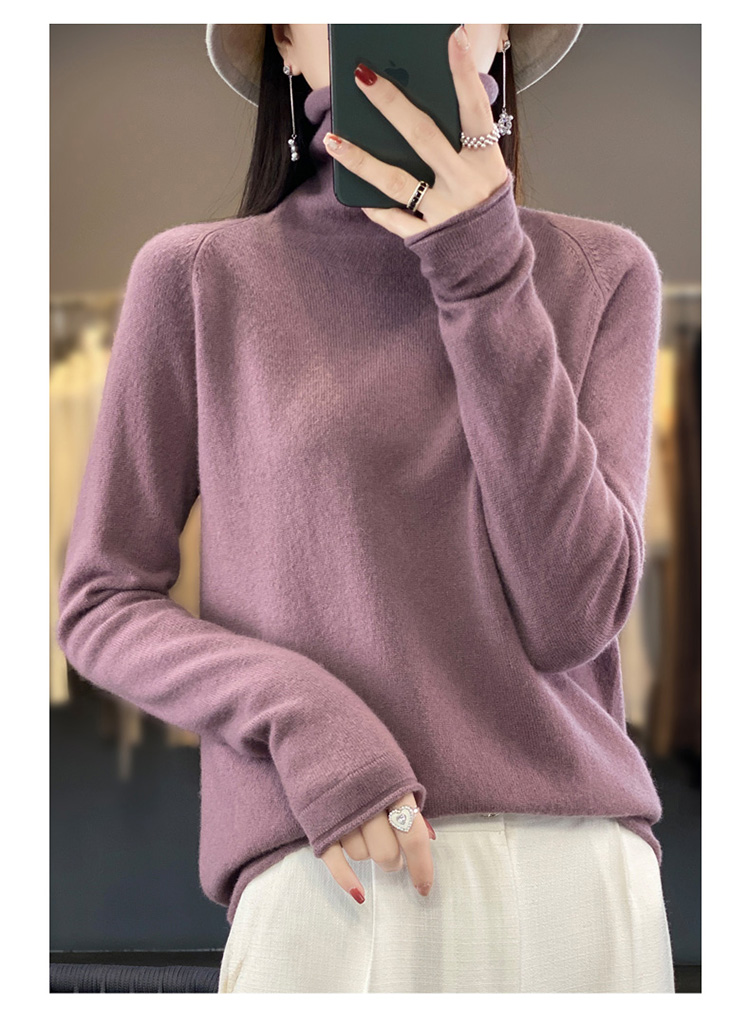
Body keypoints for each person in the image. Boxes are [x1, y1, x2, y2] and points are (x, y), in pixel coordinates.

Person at [56, 22, 676, 993]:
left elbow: (573, 614)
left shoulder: (604, 272)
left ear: (500, 31)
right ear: (286, 42)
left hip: (577, 877)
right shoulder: (197, 278)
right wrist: (302, 716)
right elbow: (100, 601)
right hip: (333, 869)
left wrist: (481, 262)